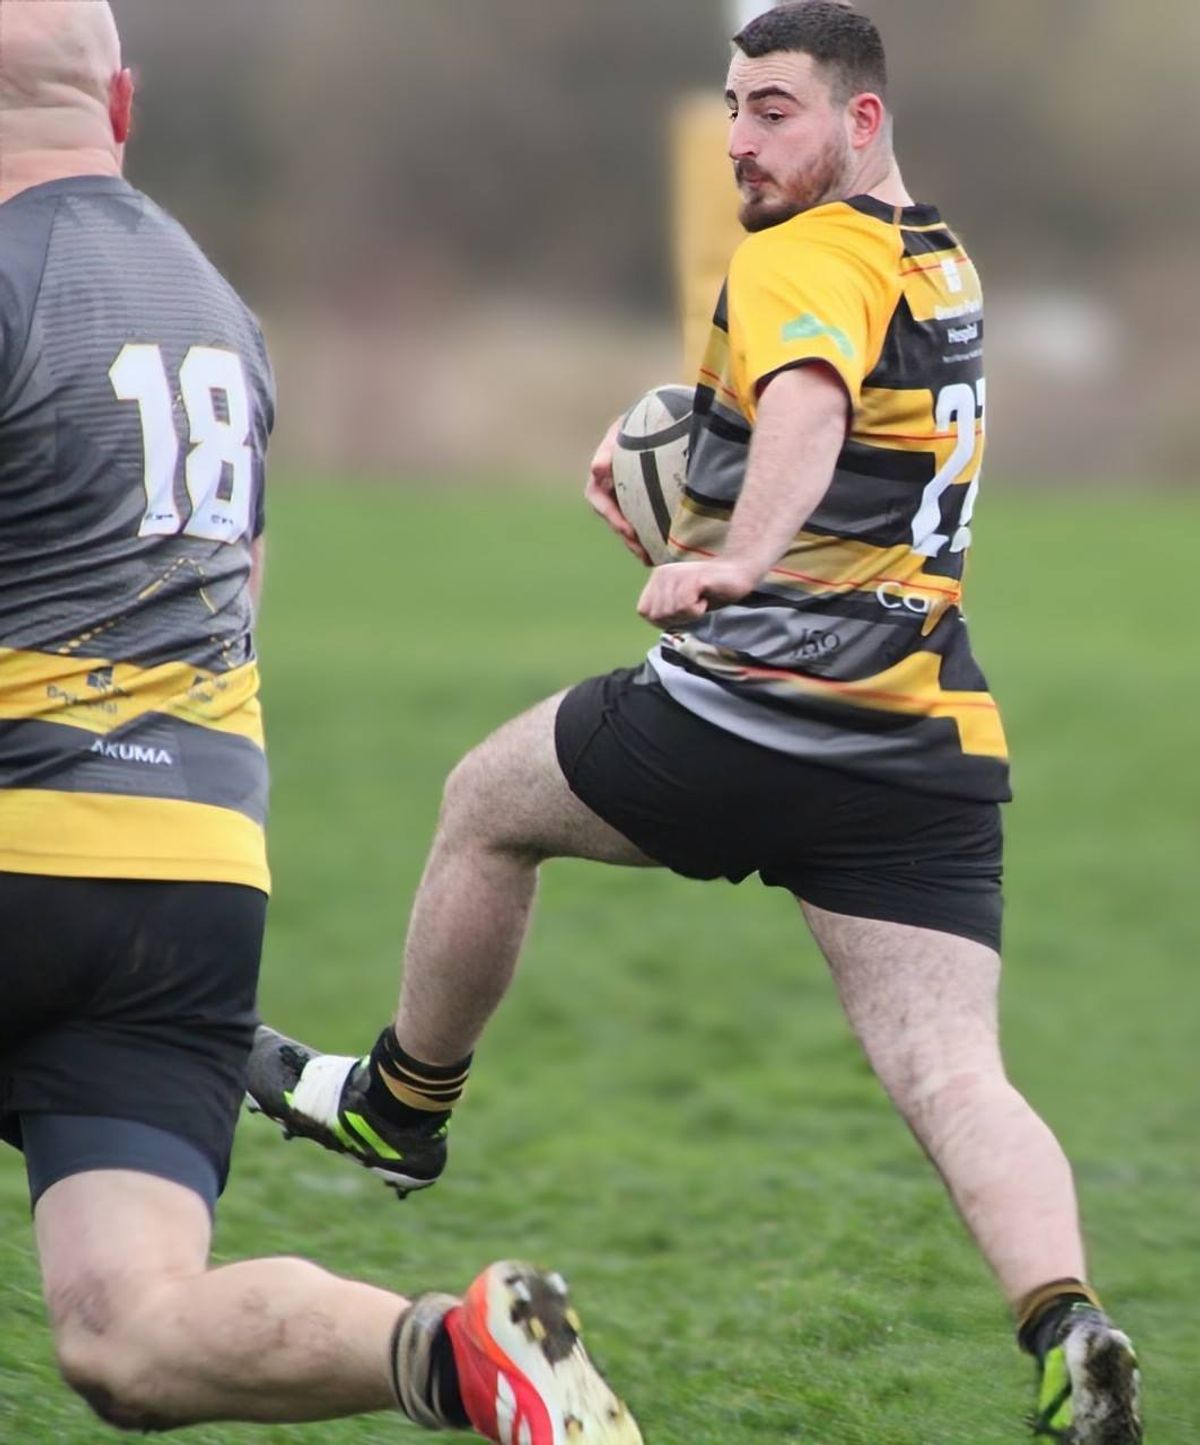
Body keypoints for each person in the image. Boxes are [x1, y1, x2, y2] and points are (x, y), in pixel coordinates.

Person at [247, 4, 1142, 1441]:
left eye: (775, 109)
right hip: (916, 740)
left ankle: (400, 1104)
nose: (741, 136)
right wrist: (687, 473)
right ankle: (1068, 1322)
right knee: (951, 1067)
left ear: (861, 122)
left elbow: (806, 410)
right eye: (733, 105)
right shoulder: (938, 256)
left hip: (750, 718)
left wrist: (732, 553)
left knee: (486, 802)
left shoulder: (797, 255)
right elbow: (841, 430)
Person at [0, 5, 641, 1441]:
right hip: (193, 878)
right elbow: (232, 609)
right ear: (123, 102)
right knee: (131, 1329)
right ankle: (459, 1353)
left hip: (19, 834)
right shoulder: (220, 308)